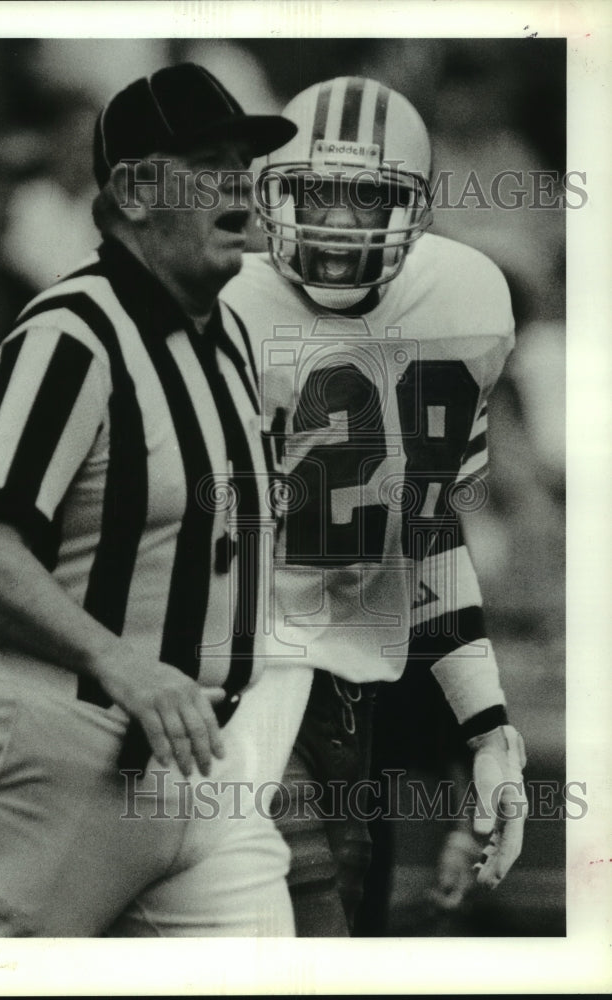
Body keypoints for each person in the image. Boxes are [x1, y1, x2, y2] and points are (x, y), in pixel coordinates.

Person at [0, 62, 309, 937]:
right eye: (209, 167)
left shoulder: (229, 341)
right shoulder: (69, 334)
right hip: (60, 754)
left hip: (205, 768)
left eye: (244, 169)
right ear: (134, 193)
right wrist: (122, 663)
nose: (239, 191)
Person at [222, 75, 528, 936]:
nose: (336, 224)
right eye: (317, 192)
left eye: (366, 196)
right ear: (269, 194)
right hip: (230, 689)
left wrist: (487, 727)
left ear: (415, 210)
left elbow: (426, 530)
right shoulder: (220, 303)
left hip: (361, 699)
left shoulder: (467, 305)